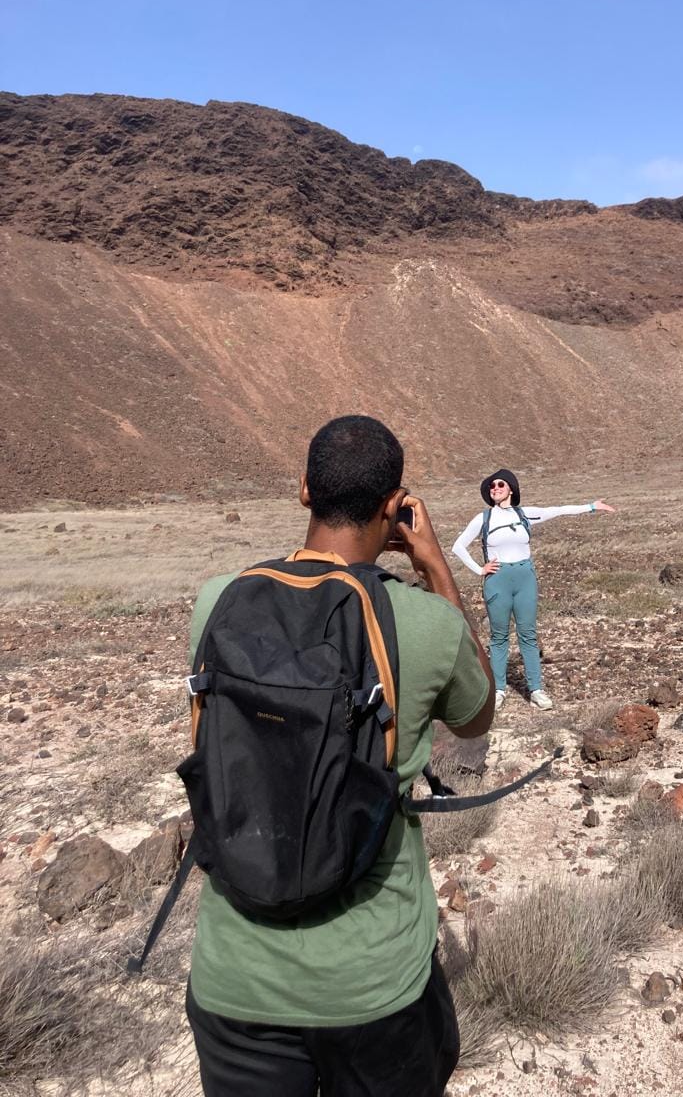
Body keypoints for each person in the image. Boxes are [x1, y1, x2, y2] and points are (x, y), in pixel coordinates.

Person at [184, 415, 494, 1097]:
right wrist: (435, 564)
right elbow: (478, 715)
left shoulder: (216, 604)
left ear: (303, 492)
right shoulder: (423, 623)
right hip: (374, 983)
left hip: (235, 977)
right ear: (395, 508)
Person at [451, 468, 615, 711]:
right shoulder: (483, 518)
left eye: (500, 485)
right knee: (499, 637)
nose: (494, 489)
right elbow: (458, 546)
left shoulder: (525, 513)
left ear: (511, 489)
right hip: (498, 580)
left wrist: (591, 506)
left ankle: (536, 690)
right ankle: (498, 690)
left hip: (525, 578)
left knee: (528, 634)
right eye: (491, 487)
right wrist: (479, 569)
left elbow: (558, 511)